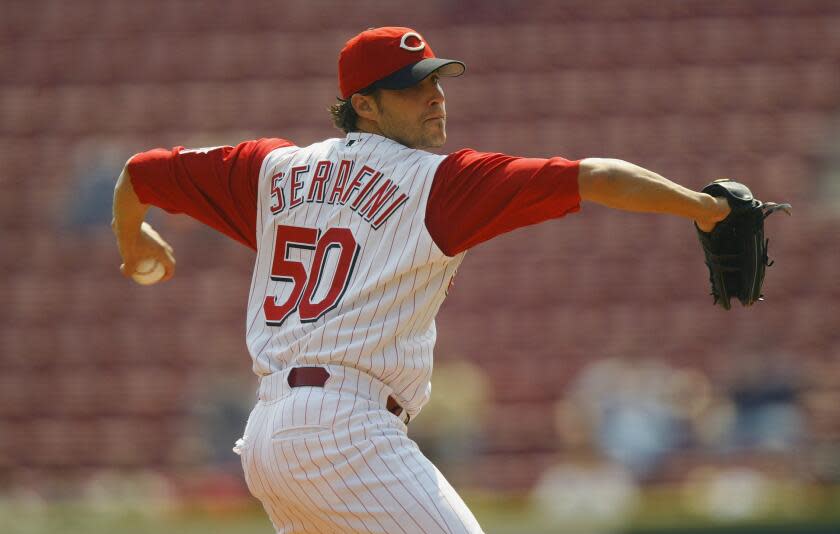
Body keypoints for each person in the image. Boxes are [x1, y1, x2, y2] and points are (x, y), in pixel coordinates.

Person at [112, 26, 730, 534]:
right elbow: (595, 176)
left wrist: (133, 241)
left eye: (435, 80)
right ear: (364, 104)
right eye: (411, 87)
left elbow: (139, 174)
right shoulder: (438, 183)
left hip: (273, 437)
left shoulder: (271, 171)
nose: (434, 96)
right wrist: (705, 210)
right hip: (344, 430)